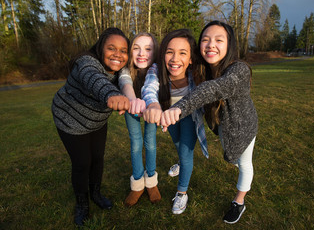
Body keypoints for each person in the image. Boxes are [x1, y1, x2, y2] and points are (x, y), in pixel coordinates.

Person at [160, 21, 258, 224]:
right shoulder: (203, 69)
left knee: (243, 164)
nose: (211, 44)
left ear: (229, 44)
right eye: (206, 40)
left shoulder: (239, 69)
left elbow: (214, 88)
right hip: (223, 126)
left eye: (218, 40)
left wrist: (180, 107)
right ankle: (181, 163)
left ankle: (238, 202)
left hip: (244, 127)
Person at [52, 27, 130, 226]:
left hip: (96, 121)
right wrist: (111, 95)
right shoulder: (87, 62)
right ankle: (82, 204)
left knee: (97, 158)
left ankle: (95, 193)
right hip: (69, 117)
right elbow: (94, 79)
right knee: (82, 163)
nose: (118, 55)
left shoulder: (123, 71)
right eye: (111, 48)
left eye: (123, 50)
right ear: (100, 48)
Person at [142, 29, 208, 215]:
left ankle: (182, 192)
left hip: (190, 117)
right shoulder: (156, 70)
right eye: (170, 52)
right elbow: (149, 87)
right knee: (178, 144)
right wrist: (153, 104)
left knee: (187, 154)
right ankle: (180, 162)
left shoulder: (196, 75)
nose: (174, 58)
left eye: (182, 53)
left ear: (191, 59)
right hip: (168, 118)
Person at [118, 32, 161, 206]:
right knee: (136, 143)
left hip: (152, 108)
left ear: (155, 52)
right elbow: (124, 81)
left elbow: (154, 85)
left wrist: (151, 105)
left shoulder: (156, 69)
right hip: (131, 108)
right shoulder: (126, 69)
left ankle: (151, 181)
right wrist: (132, 100)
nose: (142, 53)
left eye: (148, 49)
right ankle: (137, 185)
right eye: (136, 48)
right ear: (130, 51)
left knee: (150, 142)